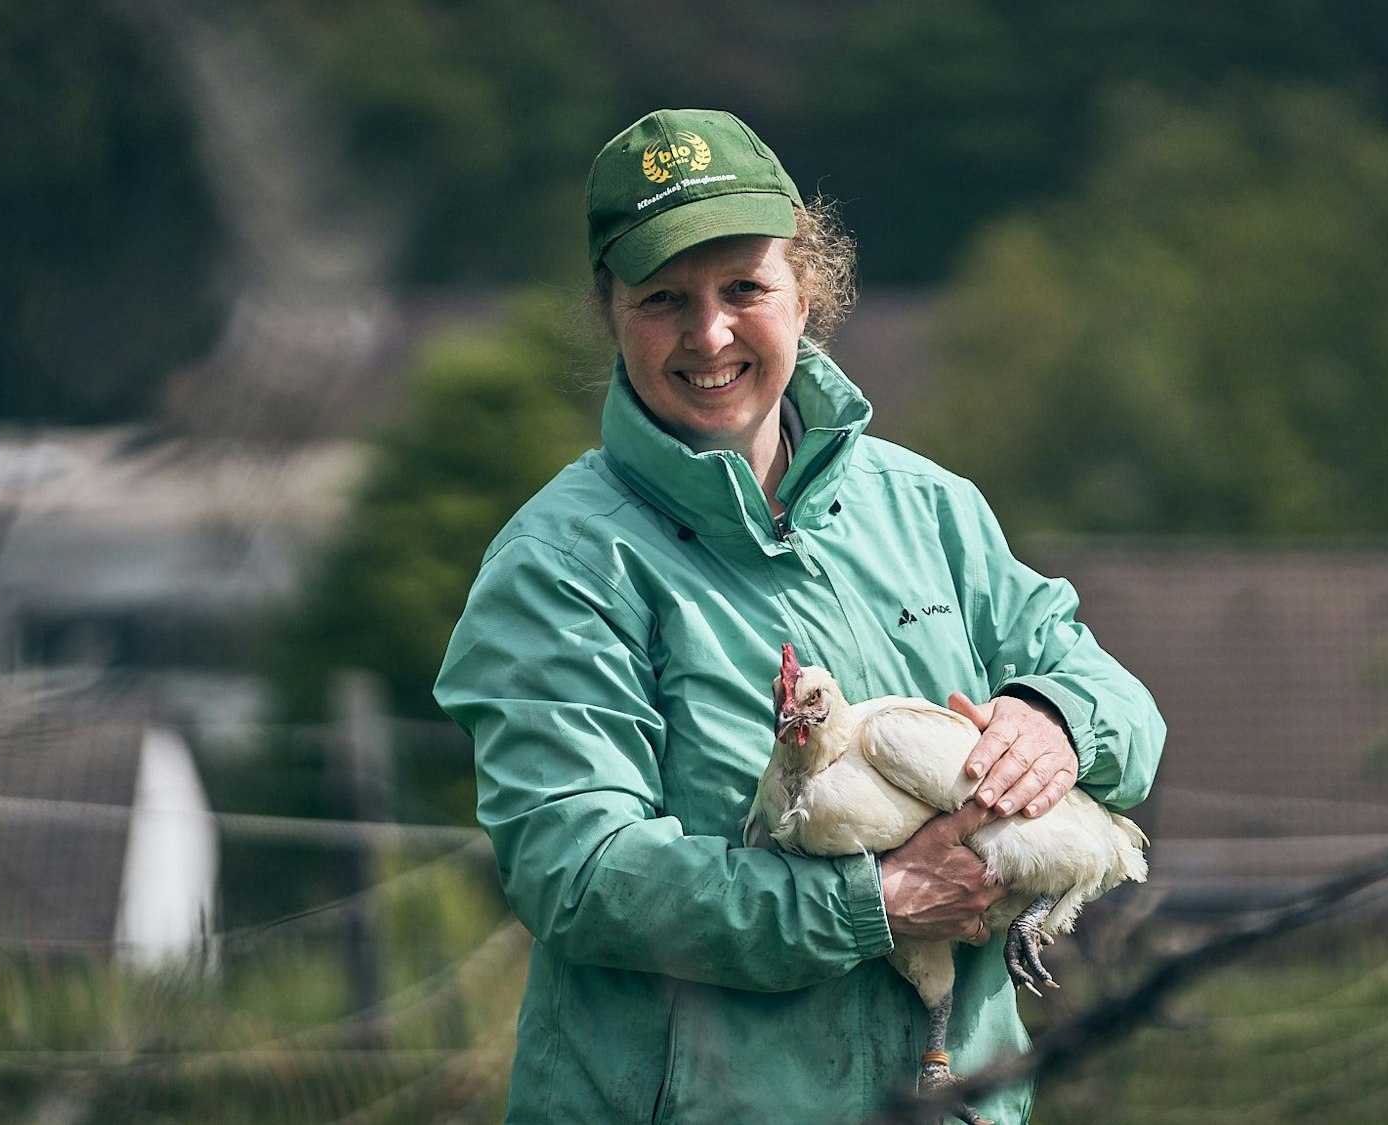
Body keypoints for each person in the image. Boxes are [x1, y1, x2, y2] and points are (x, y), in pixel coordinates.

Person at [435, 108, 1163, 1125]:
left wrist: (1052, 719)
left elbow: (1112, 701)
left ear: (805, 287)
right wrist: (871, 906)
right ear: (610, 311)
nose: (709, 334)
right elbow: (578, 871)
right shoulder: (561, 565)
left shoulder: (927, 509)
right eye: (663, 300)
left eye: (744, 287)